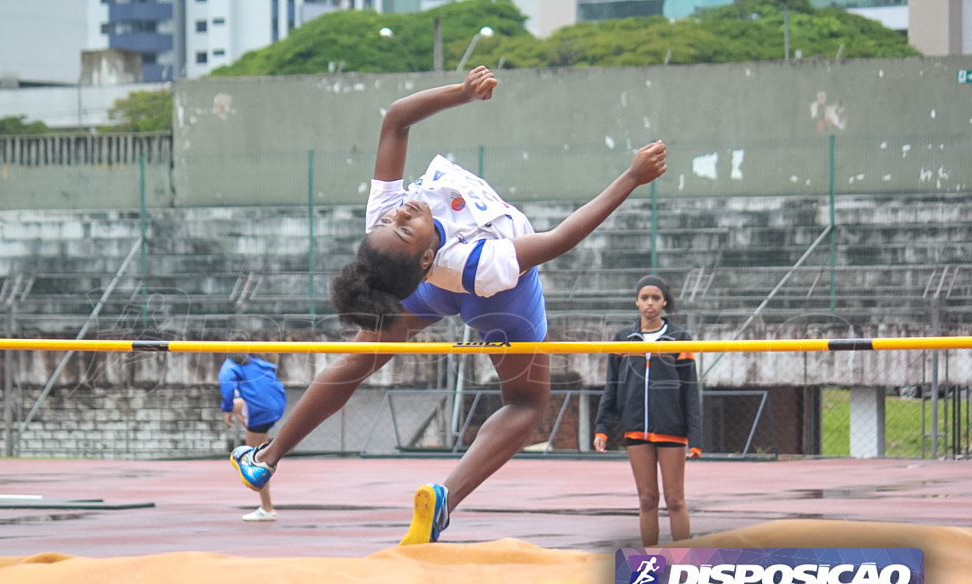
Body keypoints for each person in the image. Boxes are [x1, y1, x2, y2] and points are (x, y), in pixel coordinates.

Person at [231, 65, 668, 544]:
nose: (402, 211)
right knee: (525, 405)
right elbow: (561, 237)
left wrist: (461, 93)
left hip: (442, 281)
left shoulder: (386, 229)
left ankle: (265, 457)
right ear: (421, 257)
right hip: (499, 296)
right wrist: (631, 177)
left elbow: (397, 119)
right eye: (402, 226)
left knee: (360, 356)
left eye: (392, 217)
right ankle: (445, 496)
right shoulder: (479, 263)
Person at [592, 275, 702, 546]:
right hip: (636, 428)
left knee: (675, 500)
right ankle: (650, 564)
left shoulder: (680, 338)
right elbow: (612, 388)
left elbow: (690, 391)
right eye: (645, 298)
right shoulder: (623, 339)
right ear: (637, 301)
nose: (650, 303)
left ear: (664, 301)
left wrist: (696, 437)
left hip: (672, 429)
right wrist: (602, 428)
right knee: (646, 499)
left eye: (655, 298)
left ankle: (683, 562)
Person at [220, 349, 287, 521]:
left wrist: (227, 408)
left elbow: (226, 385)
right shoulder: (256, 361)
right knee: (235, 408)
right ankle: (248, 424)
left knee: (255, 462)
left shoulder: (231, 365)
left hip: (260, 410)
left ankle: (267, 508)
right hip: (275, 405)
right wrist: (229, 410)